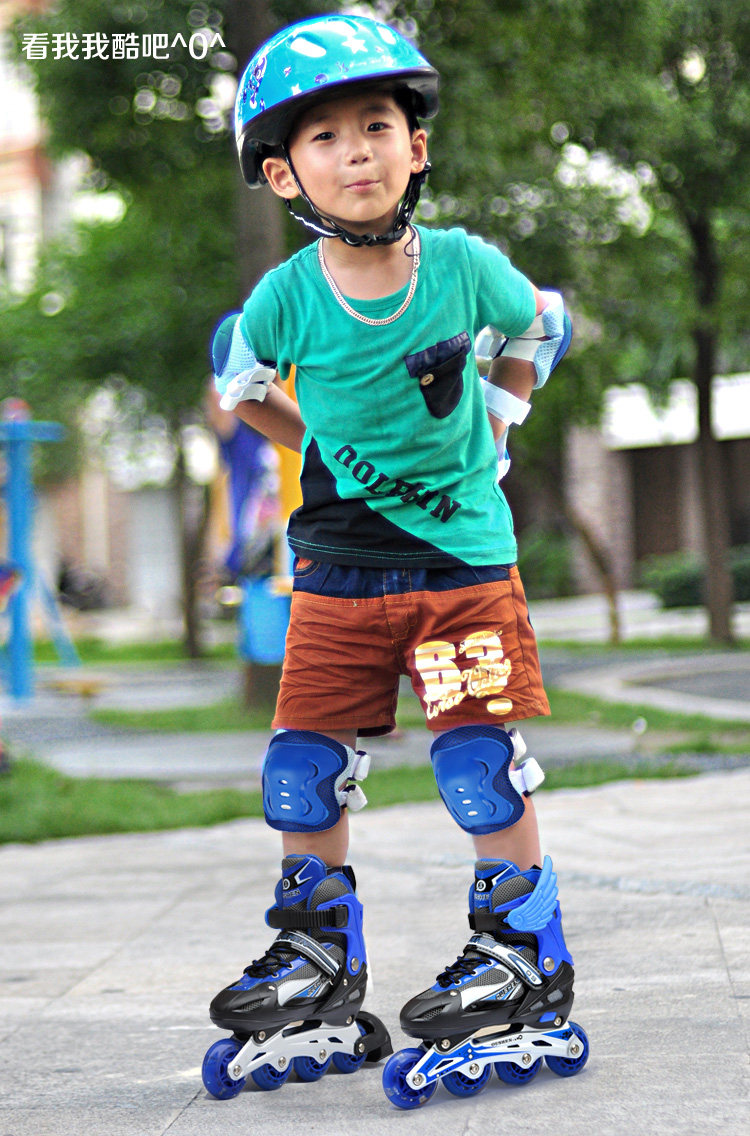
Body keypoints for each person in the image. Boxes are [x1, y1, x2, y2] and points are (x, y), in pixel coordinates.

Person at [200, 14, 588, 1106]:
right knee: (300, 770)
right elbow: (239, 386)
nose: (357, 151)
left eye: (377, 126)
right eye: (325, 136)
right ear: (284, 172)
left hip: (461, 571)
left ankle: (520, 955)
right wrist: (320, 444)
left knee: (476, 766)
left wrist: (500, 417)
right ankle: (316, 952)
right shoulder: (286, 297)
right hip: (335, 571)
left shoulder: (463, 267)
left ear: (416, 148)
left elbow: (543, 324)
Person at [204, 382, 279, 581]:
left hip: (283, 548)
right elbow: (216, 391)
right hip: (248, 555)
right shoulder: (241, 441)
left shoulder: (285, 437)